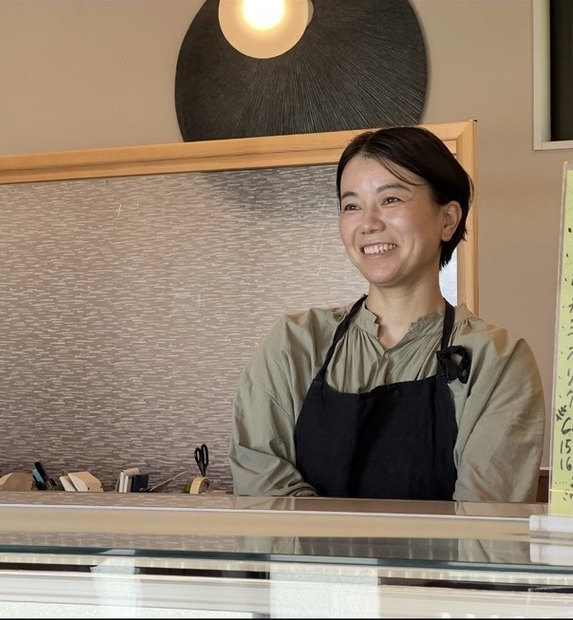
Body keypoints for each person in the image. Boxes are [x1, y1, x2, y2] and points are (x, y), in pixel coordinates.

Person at [228, 125, 545, 502]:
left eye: (391, 199)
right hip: (302, 564)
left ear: (448, 219)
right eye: (351, 205)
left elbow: (482, 527)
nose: (368, 223)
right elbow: (262, 490)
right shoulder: (295, 343)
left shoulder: (497, 360)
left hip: (440, 564)